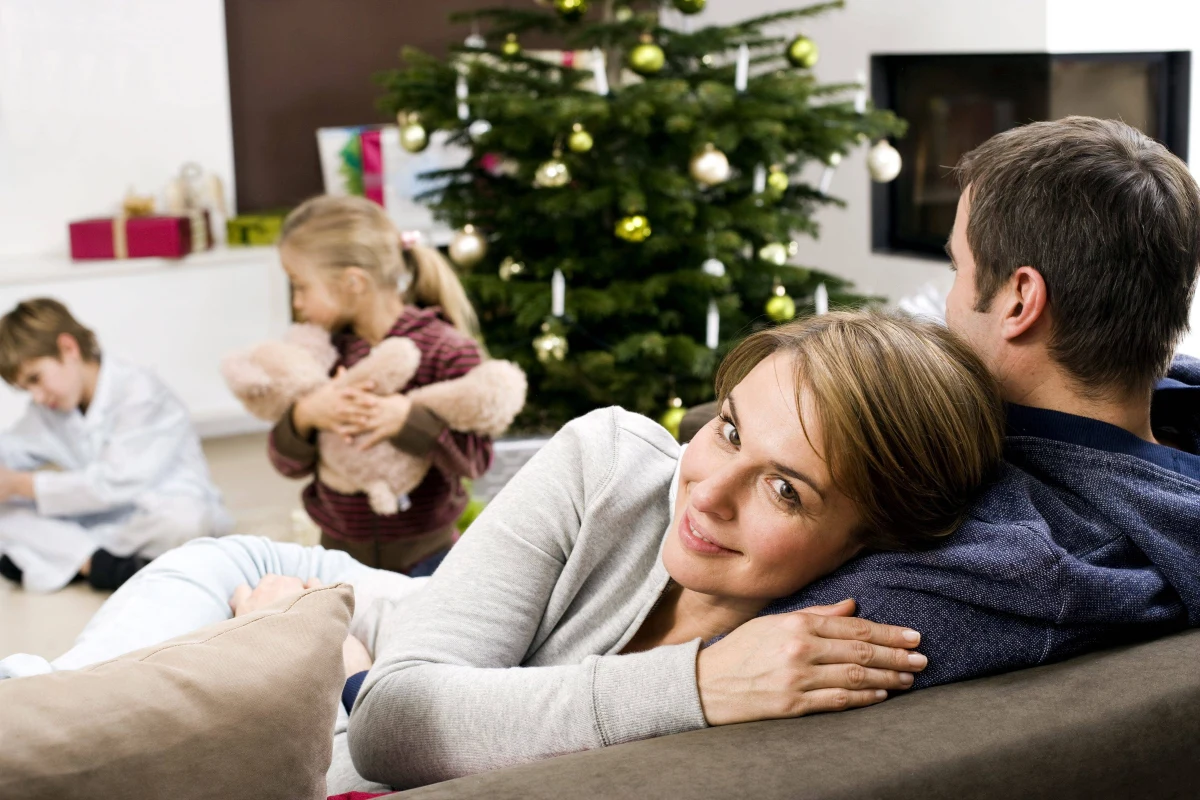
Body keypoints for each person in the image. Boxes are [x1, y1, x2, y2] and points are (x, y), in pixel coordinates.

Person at [1, 311, 1006, 795]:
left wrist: (356, 685)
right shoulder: (612, 458)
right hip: (348, 605)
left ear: (866, 536)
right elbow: (398, 720)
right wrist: (354, 677)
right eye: (731, 428)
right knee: (75, 689)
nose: (706, 487)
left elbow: (398, 730)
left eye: (786, 486)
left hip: (373, 649)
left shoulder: (817, 643)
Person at [269, 195, 494, 576]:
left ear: (352, 282)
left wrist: (409, 420)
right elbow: (285, 463)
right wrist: (305, 416)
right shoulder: (323, 352)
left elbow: (476, 461)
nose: (298, 303)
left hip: (429, 562)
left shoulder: (446, 351)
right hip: (335, 561)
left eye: (301, 286)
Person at [0, 298, 232, 592]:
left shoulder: (139, 391)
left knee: (186, 521)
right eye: (26, 389)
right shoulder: (48, 410)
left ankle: (58, 560)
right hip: (101, 520)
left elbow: (115, 482)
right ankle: (96, 565)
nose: (37, 396)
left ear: (68, 349)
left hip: (157, 511)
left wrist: (20, 484)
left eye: (36, 378)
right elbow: (10, 447)